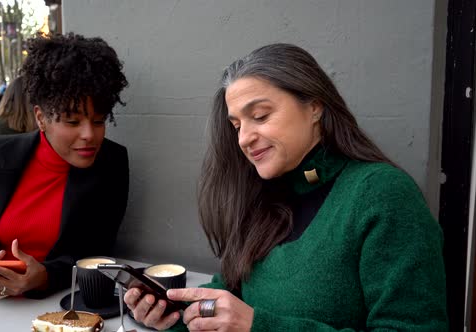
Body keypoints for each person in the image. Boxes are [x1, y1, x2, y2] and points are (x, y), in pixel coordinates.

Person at [125, 43, 448, 331]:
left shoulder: (382, 195)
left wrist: (259, 326)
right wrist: (174, 317)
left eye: (261, 116)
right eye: (236, 125)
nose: (243, 138)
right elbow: (226, 300)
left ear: (315, 107)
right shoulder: (261, 195)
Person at [0, 32, 129, 319]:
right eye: (72, 121)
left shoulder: (111, 164)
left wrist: (43, 276)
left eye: (98, 121)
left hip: (63, 301)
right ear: (41, 118)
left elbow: (96, 252)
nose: (89, 135)